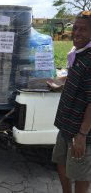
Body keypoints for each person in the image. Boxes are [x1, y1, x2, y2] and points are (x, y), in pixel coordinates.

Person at [49, 11, 91, 193]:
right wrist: (60, 85)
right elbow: (76, 80)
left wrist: (82, 134)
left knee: (81, 174)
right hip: (66, 126)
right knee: (60, 163)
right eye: (75, 28)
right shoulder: (77, 54)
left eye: (83, 29)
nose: (77, 33)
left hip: (80, 133)